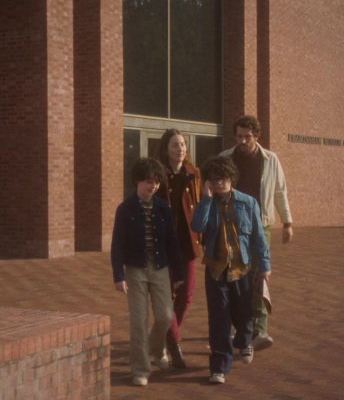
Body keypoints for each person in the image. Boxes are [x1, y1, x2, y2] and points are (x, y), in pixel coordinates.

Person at [191, 156, 270, 384]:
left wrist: (265, 266)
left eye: (222, 178)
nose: (219, 183)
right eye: (214, 179)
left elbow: (258, 237)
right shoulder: (207, 202)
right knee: (219, 319)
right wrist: (206, 199)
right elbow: (197, 226)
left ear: (231, 178)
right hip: (216, 269)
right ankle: (219, 367)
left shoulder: (248, 202)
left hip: (241, 267)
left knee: (243, 313)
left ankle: (245, 340)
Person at [220, 114, 293, 351]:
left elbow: (280, 191)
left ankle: (260, 329)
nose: (242, 141)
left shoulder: (270, 159)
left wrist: (287, 222)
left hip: (261, 225)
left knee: (260, 275)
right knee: (236, 276)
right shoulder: (225, 158)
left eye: (247, 137)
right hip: (232, 226)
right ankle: (241, 326)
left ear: (257, 136)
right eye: (239, 136)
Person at [111, 157, 185, 386]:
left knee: (165, 316)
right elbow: (117, 244)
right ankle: (140, 370)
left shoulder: (163, 208)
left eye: (156, 182)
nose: (153, 186)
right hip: (136, 270)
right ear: (137, 181)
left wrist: (179, 273)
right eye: (148, 182)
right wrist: (119, 275)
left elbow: (172, 242)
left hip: (160, 268)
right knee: (139, 321)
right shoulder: (125, 209)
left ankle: (155, 350)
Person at [156, 129, 202, 369]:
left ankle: (166, 336)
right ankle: (174, 343)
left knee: (186, 295)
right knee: (165, 296)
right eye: (175, 145)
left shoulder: (194, 173)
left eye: (183, 144)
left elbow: (199, 204)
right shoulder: (158, 175)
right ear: (166, 149)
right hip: (164, 245)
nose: (180, 149)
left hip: (187, 244)